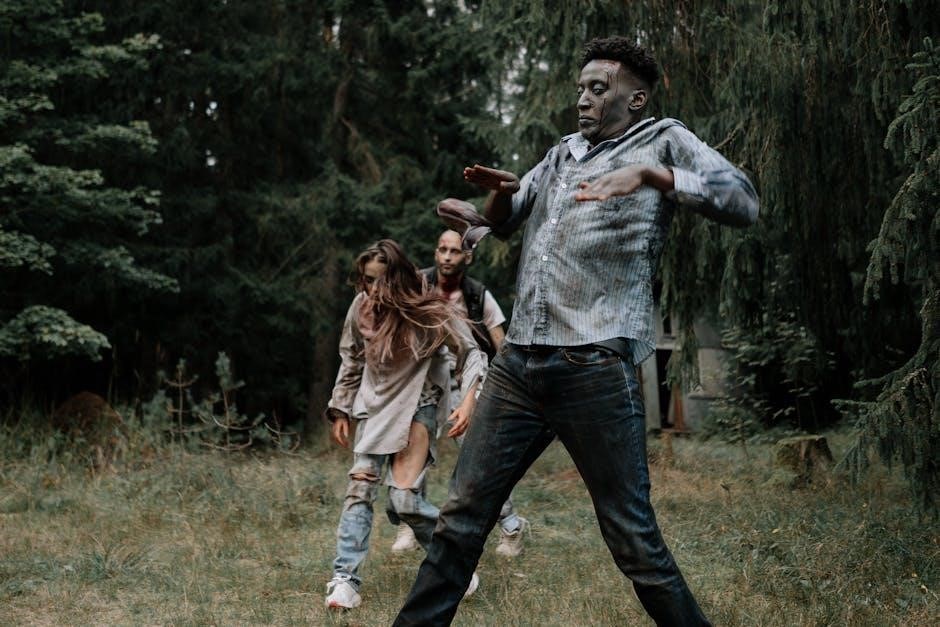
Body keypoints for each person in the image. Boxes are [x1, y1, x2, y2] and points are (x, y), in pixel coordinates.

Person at [394, 36, 758, 626]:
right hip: (519, 366)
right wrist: (495, 197)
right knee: (460, 520)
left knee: (632, 539)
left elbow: (743, 201)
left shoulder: (663, 138)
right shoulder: (562, 153)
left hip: (593, 366)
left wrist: (654, 175)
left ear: (635, 98)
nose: (583, 99)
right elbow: (504, 222)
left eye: (598, 88)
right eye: (580, 89)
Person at [323, 239, 486, 610]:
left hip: (417, 403)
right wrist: (340, 407)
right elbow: (351, 358)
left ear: (398, 278)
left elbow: (470, 351)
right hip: (373, 406)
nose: (372, 289)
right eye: (367, 280)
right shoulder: (361, 308)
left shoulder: (429, 310)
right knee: (359, 489)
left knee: (405, 500)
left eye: (380, 281)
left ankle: (456, 563)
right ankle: (345, 580)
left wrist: (468, 399)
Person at [390, 230, 529, 558]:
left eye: (454, 251)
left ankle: (511, 526)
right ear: (435, 253)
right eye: (442, 249)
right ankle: (410, 525)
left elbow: (500, 344)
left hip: (465, 385)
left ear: (467, 257)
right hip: (422, 384)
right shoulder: (418, 286)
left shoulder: (477, 295)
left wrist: (509, 386)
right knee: (411, 451)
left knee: (478, 458)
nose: (447, 256)